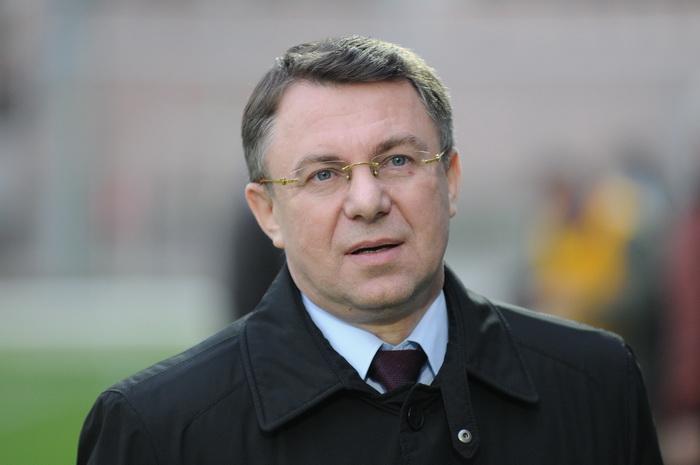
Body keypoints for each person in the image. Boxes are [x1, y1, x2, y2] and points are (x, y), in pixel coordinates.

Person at [77, 36, 663, 464]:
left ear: (451, 181)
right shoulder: (155, 431)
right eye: (323, 174)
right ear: (267, 213)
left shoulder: (597, 384)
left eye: (398, 160)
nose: (367, 201)